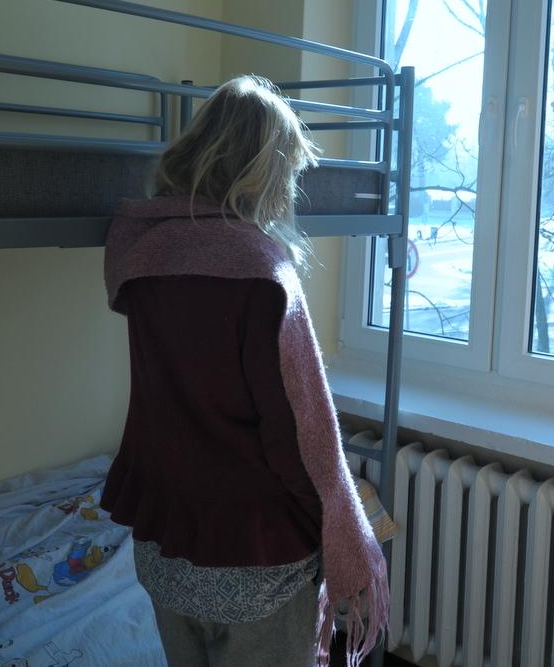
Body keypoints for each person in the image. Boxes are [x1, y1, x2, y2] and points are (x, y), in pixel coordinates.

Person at [101, 75, 388, 667]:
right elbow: (295, 435)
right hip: (253, 550)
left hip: (165, 536)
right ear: (265, 169)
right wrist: (331, 525)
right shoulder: (263, 271)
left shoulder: (143, 255)